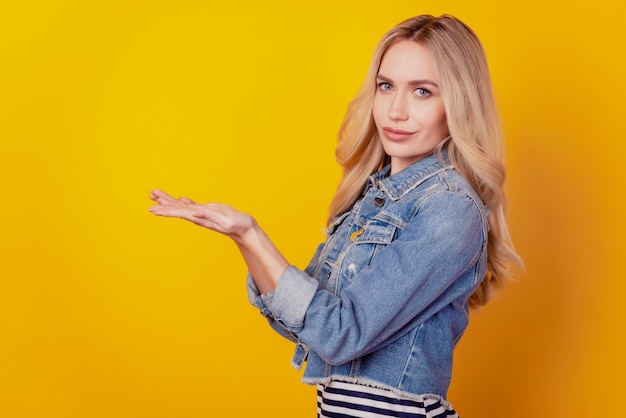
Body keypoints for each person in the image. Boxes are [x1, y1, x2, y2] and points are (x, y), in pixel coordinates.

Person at [149, 14, 522, 417]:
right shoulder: (372, 199)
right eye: (386, 86)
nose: (395, 111)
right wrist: (243, 239)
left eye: (422, 92)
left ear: (458, 102)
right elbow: (305, 326)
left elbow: (343, 333)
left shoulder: (450, 208)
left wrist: (254, 235)